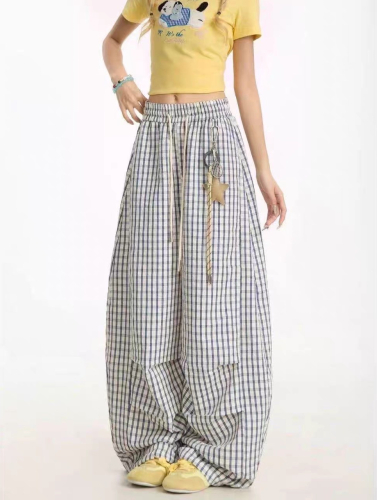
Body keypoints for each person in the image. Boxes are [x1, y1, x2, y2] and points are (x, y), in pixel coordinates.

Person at [102, 0, 286, 493]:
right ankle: (156, 442)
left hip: (213, 146)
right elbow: (112, 42)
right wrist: (121, 81)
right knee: (150, 294)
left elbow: (246, 86)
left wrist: (264, 171)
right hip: (156, 140)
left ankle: (208, 447)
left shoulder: (240, 3)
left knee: (212, 299)